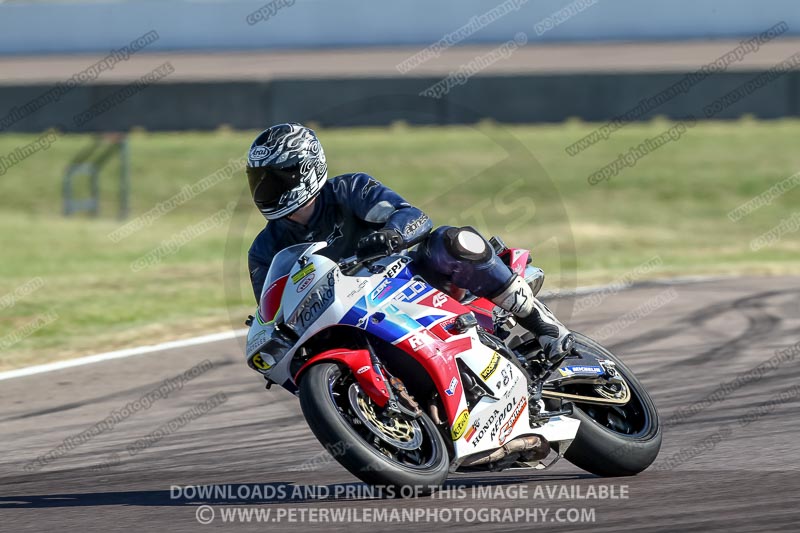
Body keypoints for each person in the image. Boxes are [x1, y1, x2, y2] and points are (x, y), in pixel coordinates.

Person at [245, 123, 574, 363]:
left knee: (450, 240)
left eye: (276, 179)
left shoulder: (349, 189)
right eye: (259, 182)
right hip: (347, 317)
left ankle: (541, 323)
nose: (266, 191)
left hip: (407, 283)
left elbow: (412, 216)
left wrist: (391, 235)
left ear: (306, 169)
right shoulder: (263, 250)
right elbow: (273, 307)